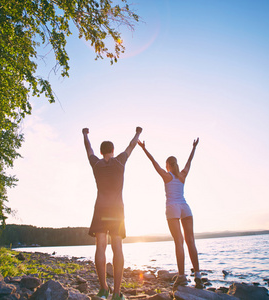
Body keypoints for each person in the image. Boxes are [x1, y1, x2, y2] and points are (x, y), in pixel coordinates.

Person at [83, 127, 142, 300]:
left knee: (100, 247)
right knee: (117, 248)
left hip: (101, 208)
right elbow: (132, 145)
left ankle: (103, 289)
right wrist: (138, 133)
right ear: (113, 151)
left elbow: (88, 149)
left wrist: (85, 134)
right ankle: (116, 293)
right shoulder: (120, 161)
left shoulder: (96, 163)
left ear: (101, 152)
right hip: (117, 210)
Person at [138, 138, 203, 289]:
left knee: (178, 242)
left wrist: (144, 148)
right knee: (191, 241)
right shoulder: (182, 175)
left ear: (167, 165)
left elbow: (153, 162)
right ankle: (198, 276)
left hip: (172, 207)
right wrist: (194, 147)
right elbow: (190, 161)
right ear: (176, 164)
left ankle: (182, 276)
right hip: (185, 207)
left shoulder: (167, 176)